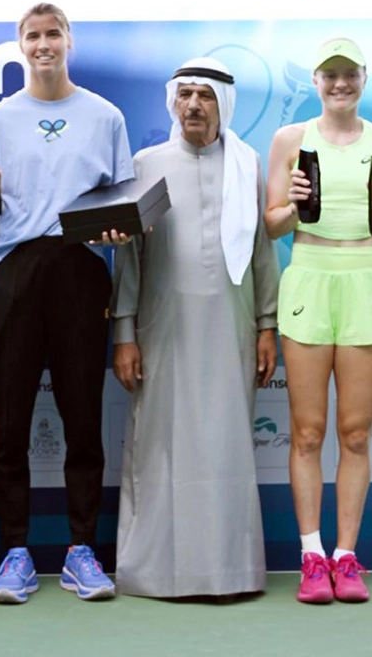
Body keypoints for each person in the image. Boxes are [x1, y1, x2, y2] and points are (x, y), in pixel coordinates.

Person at [0, 2, 133, 604]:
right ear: (21, 45)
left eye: (53, 34)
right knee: (9, 421)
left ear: (69, 41)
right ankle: (15, 552)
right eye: (34, 36)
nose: (44, 45)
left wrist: (116, 231)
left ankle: (80, 551)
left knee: (83, 419)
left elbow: (122, 203)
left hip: (81, 270)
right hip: (13, 270)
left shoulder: (105, 116)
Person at [111, 57, 279, 598]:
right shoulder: (147, 165)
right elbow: (129, 259)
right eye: (184, 95)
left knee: (226, 443)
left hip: (232, 326)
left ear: (223, 105)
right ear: (172, 102)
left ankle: (230, 571)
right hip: (162, 328)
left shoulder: (246, 165)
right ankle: (156, 572)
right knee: (161, 445)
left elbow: (261, 252)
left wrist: (267, 325)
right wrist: (124, 333)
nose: (193, 105)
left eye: (204, 96)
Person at [263, 37, 372, 603]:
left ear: (364, 79)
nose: (340, 83)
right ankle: (311, 556)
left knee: (354, 433)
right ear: (316, 82)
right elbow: (272, 225)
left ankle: (346, 557)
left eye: (349, 73)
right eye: (330, 74)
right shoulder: (290, 139)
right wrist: (293, 205)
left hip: (365, 280)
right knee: (307, 432)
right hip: (308, 279)